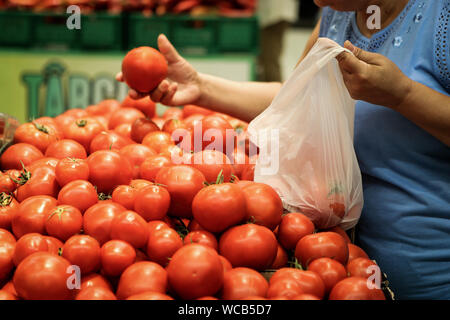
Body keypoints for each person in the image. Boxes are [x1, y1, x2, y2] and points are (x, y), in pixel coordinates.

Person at [117, 0, 450, 299]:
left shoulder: (440, 17)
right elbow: (292, 101)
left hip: (430, 275)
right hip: (342, 268)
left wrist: (404, 95)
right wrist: (201, 87)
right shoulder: (336, 9)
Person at [257, 0, 299, 82]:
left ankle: (276, 92)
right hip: (276, 13)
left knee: (270, 60)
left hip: (274, 15)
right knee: (267, 59)